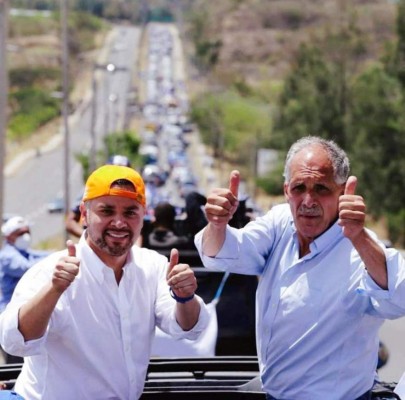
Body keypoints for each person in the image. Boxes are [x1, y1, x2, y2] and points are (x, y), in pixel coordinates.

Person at [194, 136, 405, 400]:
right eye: (299, 188)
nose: (308, 200)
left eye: (321, 189)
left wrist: (358, 236)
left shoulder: (359, 245)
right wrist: (217, 223)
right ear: (286, 191)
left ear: (342, 193)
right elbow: (222, 253)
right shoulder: (280, 222)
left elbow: (399, 296)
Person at [0, 165, 209, 400]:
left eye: (130, 212)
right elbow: (14, 342)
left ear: (143, 217)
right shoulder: (50, 272)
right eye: (106, 211)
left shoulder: (152, 266)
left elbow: (188, 329)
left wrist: (185, 297)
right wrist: (54, 289)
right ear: (84, 214)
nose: (118, 223)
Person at [0, 216, 50, 364]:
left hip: (27, 314)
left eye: (27, 232)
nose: (25, 236)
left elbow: (43, 256)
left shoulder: (24, 253)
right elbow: (28, 267)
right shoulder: (8, 256)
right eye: (20, 233)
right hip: (10, 316)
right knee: (15, 364)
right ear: (9, 236)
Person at [65, 154, 132, 239]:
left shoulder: (136, 195)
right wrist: (90, 238)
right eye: (113, 171)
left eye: (124, 172)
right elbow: (70, 221)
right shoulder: (92, 189)